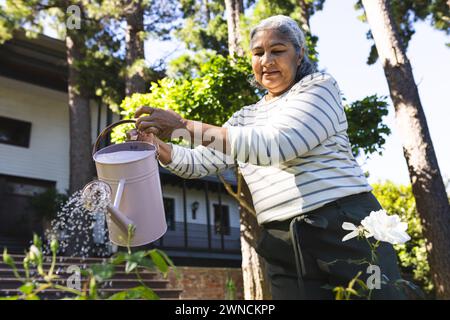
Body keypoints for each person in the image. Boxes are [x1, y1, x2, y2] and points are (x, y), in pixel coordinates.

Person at [129, 15, 406, 300]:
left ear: (299, 55)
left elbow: (278, 146)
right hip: (282, 239)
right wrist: (158, 146)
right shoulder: (244, 117)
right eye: (258, 53)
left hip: (344, 224)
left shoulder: (319, 88)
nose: (266, 61)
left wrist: (184, 126)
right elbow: (196, 163)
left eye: (277, 50)